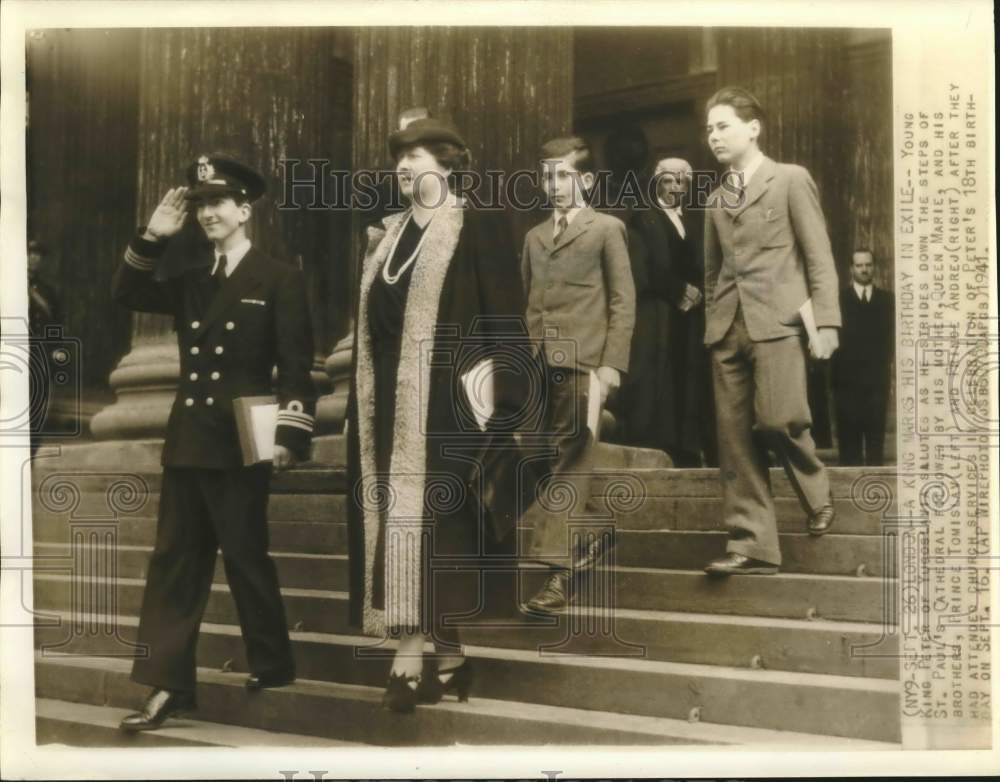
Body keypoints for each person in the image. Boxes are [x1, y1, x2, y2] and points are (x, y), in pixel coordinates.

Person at [113, 154, 316, 731]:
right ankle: (167, 685)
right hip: (188, 439)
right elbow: (126, 291)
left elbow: (296, 364)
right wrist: (152, 236)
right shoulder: (193, 280)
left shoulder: (279, 277)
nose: (207, 214)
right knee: (174, 561)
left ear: (243, 210)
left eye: (217, 204)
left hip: (241, 437)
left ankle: (273, 662)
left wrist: (290, 436)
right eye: (200, 205)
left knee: (246, 555)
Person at [346, 118, 527, 713]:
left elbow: (505, 317)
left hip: (454, 403)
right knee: (402, 519)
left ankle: (410, 648)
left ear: (447, 162)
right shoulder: (389, 236)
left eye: (415, 155)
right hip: (390, 405)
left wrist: (507, 405)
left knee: (433, 526)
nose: (402, 166)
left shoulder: (476, 223)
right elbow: (372, 330)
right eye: (397, 157)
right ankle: (449, 658)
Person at [701, 86, 841, 576]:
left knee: (780, 420)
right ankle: (751, 544)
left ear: (753, 128)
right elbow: (713, 270)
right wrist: (714, 324)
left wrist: (826, 322)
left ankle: (817, 493)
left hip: (779, 322)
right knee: (735, 439)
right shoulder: (717, 198)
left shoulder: (790, 180)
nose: (713, 136)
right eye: (710, 128)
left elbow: (819, 257)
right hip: (727, 329)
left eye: (723, 126)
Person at [518, 136, 636, 613]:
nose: (554, 184)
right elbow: (528, 302)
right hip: (539, 363)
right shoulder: (533, 237)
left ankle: (557, 577)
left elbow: (623, 302)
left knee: (571, 456)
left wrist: (611, 364)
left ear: (585, 180)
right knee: (539, 458)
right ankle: (593, 533)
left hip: (586, 362)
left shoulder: (607, 229)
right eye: (547, 176)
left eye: (563, 175)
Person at [623, 157, 714, 466]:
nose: (677, 186)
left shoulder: (693, 220)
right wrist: (678, 291)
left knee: (688, 377)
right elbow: (642, 267)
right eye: (670, 180)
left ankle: (687, 448)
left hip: (690, 315)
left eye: (683, 181)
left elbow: (704, 262)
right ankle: (660, 448)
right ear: (657, 182)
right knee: (658, 379)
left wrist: (697, 291)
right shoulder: (642, 218)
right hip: (659, 312)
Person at [832, 248, 894, 465]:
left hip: (877, 381)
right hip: (846, 382)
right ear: (851, 269)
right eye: (859, 265)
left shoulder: (888, 301)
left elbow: (891, 341)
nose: (864, 269)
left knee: (875, 436)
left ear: (874, 267)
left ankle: (875, 487)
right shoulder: (838, 301)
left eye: (868, 264)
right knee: (849, 439)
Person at [27, 239, 63, 456]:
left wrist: (56, 350)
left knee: (36, 410)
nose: (34, 259)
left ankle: (30, 454)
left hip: (40, 358)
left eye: (38, 255)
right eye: (30, 253)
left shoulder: (47, 292)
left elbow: (56, 324)